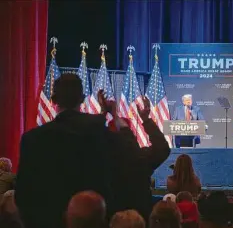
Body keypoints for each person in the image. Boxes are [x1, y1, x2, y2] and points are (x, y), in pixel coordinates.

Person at [15, 73, 113, 228]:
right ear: (82, 99)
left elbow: (22, 194)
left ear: (53, 100)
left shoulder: (33, 139)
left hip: (45, 221)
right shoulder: (100, 135)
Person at [98, 91, 171, 222]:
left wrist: (105, 113)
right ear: (132, 136)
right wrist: (146, 119)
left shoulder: (101, 158)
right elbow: (163, 148)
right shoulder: (140, 158)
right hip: (140, 218)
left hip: (110, 218)